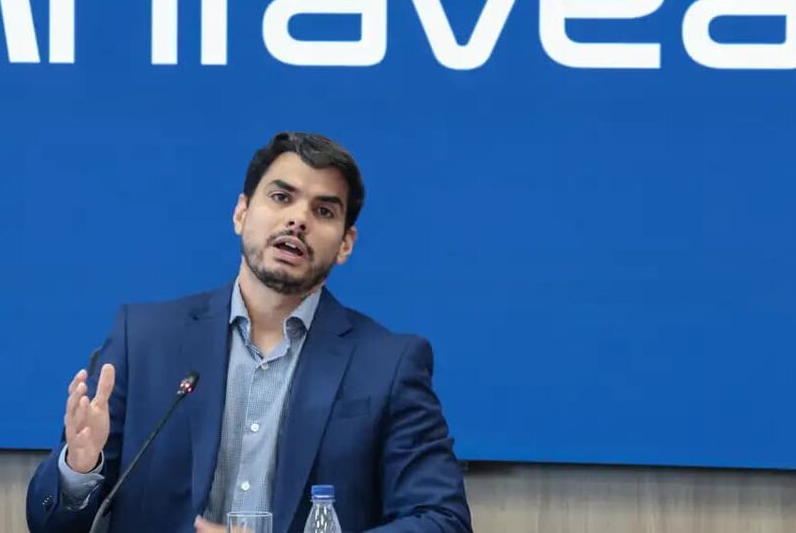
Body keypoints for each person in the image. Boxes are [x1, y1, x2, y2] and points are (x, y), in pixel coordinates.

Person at [26, 132, 472, 533]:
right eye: (281, 197)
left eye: (323, 210)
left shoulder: (387, 365)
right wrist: (79, 469)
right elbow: (50, 526)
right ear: (241, 212)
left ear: (346, 244)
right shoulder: (143, 341)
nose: (298, 220)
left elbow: (442, 520)